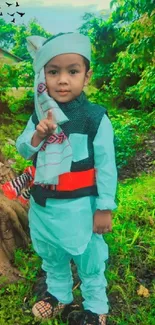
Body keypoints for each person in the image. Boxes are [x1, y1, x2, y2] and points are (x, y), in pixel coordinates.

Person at [16, 32, 117, 325]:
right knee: (52, 254)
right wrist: (38, 135)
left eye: (72, 71)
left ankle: (96, 307)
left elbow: (107, 167)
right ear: (42, 75)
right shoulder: (39, 115)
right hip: (44, 205)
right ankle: (59, 294)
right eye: (53, 71)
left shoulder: (94, 118)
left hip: (80, 208)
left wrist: (104, 207)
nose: (62, 80)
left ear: (86, 76)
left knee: (89, 257)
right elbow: (23, 149)